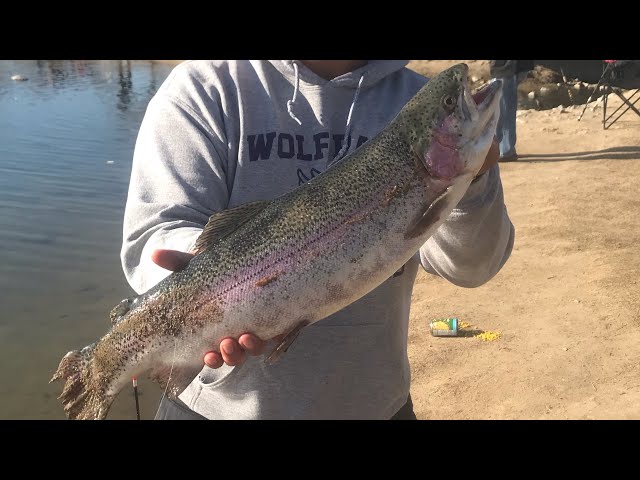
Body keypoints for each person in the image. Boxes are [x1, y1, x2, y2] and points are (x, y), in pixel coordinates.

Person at [121, 60, 515, 420]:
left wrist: (474, 180)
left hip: (375, 407)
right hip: (214, 411)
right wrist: (226, 296)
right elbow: (154, 237)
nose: (457, 105)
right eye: (452, 104)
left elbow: (472, 266)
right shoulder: (204, 87)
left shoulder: (411, 100)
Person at [490, 60, 534, 162]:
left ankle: (505, 150)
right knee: (505, 106)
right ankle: (504, 148)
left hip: (505, 67)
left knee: (503, 108)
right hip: (513, 67)